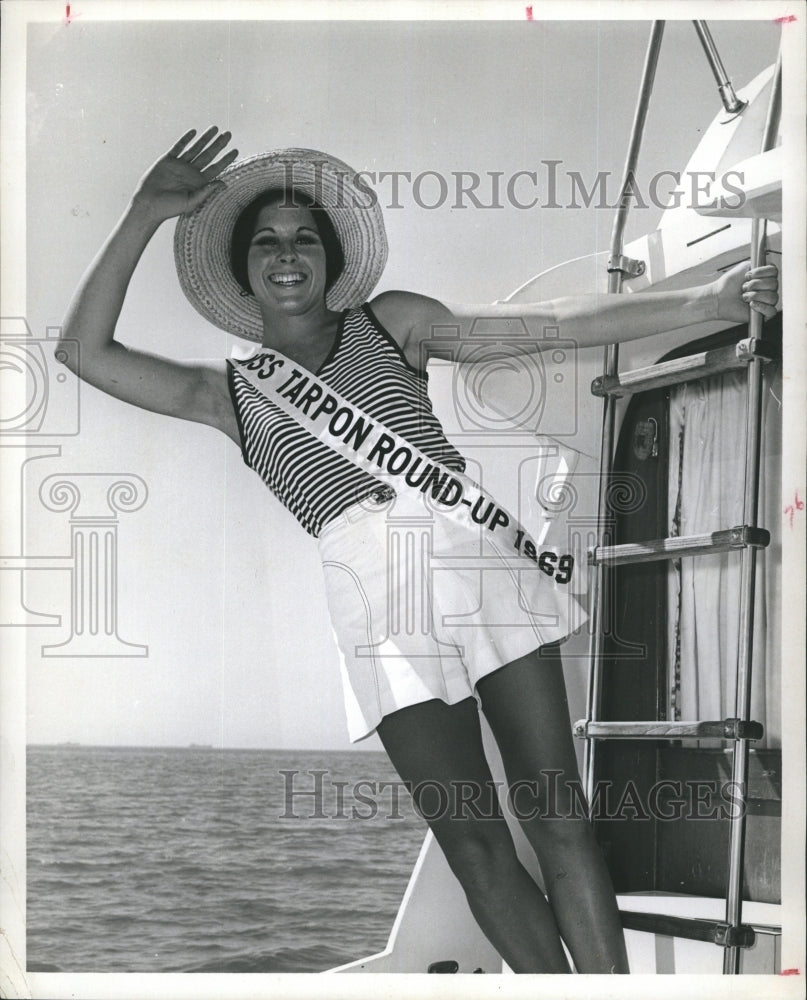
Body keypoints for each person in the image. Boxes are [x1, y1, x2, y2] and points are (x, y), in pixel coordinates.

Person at [58, 126, 779, 975]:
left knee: (557, 816)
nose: (286, 256)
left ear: (330, 260)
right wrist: (144, 211)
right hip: (373, 593)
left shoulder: (390, 322)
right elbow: (83, 352)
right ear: (243, 271)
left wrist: (704, 304)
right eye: (266, 243)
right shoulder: (228, 394)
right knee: (473, 845)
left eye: (303, 239)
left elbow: (549, 324)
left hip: (468, 554)